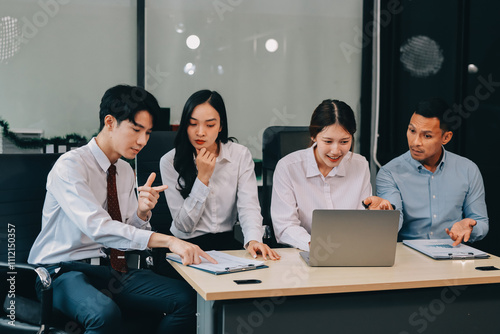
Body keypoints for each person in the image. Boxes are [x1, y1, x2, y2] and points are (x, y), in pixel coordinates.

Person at [28, 85, 216, 334]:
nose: (143, 141)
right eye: (136, 129)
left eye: (148, 133)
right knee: (103, 315)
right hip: (62, 271)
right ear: (109, 122)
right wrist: (169, 241)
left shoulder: (124, 171)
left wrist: (141, 214)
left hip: (109, 269)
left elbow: (124, 236)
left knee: (188, 299)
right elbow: (98, 228)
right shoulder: (70, 166)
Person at [160, 90, 280, 260]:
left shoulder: (239, 155)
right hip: (185, 246)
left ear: (221, 126)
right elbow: (184, 226)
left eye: (209, 125)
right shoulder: (170, 161)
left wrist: (253, 240)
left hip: (226, 244)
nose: (200, 132)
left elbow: (249, 206)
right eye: (193, 124)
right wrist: (202, 178)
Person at [271, 99, 392, 251]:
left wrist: (375, 216)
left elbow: (361, 222)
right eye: (328, 141)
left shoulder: (360, 165)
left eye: (344, 141)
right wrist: (317, 246)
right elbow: (285, 227)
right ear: (314, 136)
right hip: (303, 253)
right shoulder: (288, 168)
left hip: (350, 253)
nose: (336, 151)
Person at [376, 97, 488, 246]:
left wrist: (470, 227)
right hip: (410, 257)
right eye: (412, 131)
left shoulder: (468, 169)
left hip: (453, 253)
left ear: (446, 137)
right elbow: (393, 222)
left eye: (427, 136)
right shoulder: (389, 172)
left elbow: (481, 222)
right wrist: (385, 213)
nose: (415, 142)